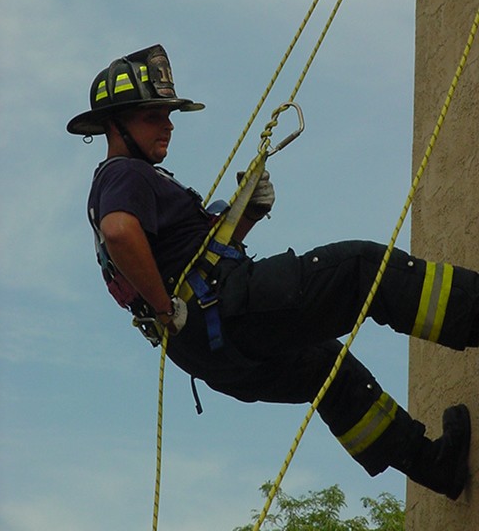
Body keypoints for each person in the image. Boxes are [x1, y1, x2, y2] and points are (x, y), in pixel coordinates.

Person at [67, 43, 478, 501]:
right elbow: (120, 232)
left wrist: (248, 212)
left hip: (204, 343)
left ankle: (435, 467)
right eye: (153, 116)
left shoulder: (138, 181)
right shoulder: (123, 174)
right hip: (217, 308)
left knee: (326, 368)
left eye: (168, 114)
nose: (168, 124)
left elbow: (194, 257)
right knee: (359, 270)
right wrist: (167, 309)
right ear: (114, 124)